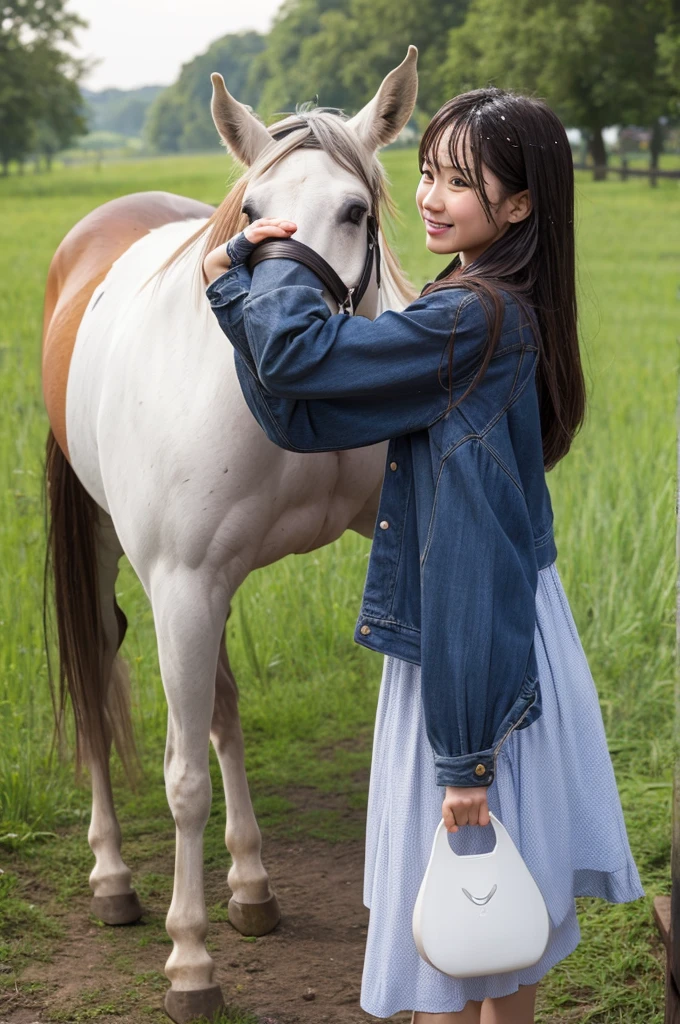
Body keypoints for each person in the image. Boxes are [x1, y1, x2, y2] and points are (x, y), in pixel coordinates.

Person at [202, 88, 645, 1024]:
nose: (431, 198)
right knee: (494, 933)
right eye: (426, 174)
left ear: (519, 205)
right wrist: (234, 290)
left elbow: (304, 366)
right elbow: (307, 405)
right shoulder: (489, 308)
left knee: (453, 942)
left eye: (458, 180)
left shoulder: (469, 320)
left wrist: (466, 761)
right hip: (493, 645)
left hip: (472, 660)